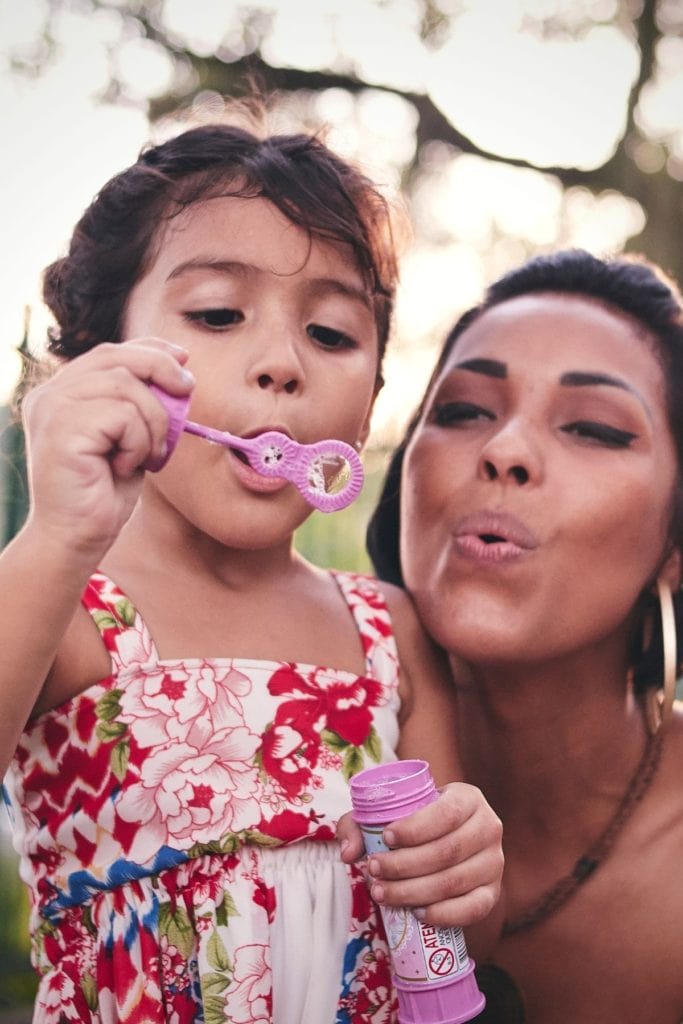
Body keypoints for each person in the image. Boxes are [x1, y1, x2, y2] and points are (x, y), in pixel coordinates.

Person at [0, 121, 503, 1024]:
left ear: (369, 407)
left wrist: (463, 865)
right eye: (218, 315)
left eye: (331, 332)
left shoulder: (388, 632)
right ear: (98, 359)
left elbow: (460, 938)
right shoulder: (66, 605)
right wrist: (58, 534)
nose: (281, 363)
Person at [352, 248, 683, 1023]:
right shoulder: (288, 778)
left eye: (594, 429)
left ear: (675, 543)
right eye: (463, 411)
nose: (501, 452)